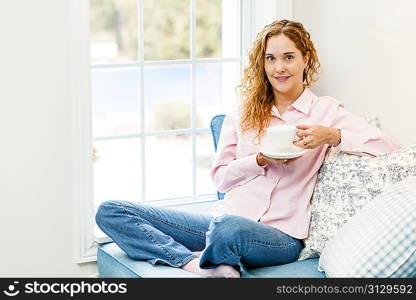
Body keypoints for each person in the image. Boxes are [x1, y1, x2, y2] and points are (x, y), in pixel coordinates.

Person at [95, 19, 400, 278]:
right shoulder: (244, 112)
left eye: (288, 57)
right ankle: (196, 263)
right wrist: (259, 159)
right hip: (223, 219)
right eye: (270, 58)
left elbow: (387, 147)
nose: (279, 68)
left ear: (306, 59)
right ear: (262, 62)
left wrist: (331, 135)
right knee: (111, 211)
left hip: (279, 236)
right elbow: (221, 179)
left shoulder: (326, 111)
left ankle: (217, 254)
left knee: (228, 229)